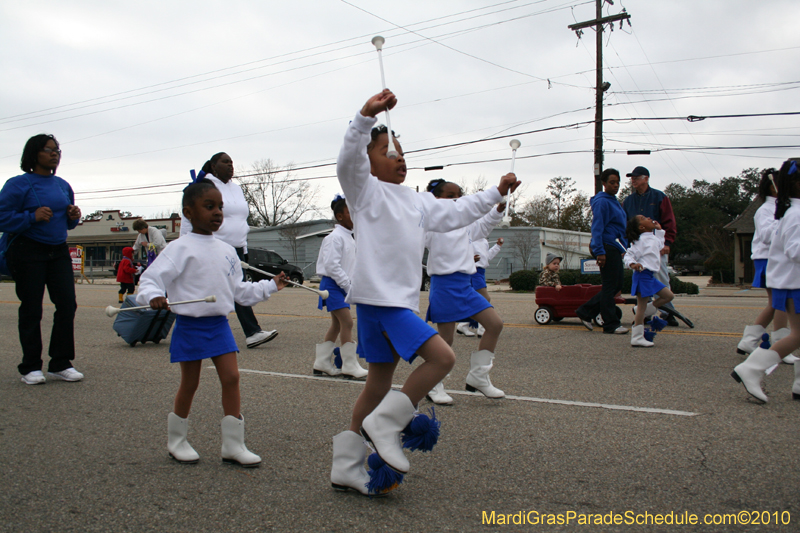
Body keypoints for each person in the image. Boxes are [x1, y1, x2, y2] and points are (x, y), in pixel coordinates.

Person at [329, 90, 520, 496]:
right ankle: (386, 424)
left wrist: (496, 192)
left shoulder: (418, 202)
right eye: (387, 151)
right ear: (368, 162)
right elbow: (347, 161)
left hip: (390, 304)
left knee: (377, 386)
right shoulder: (364, 192)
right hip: (383, 304)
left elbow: (459, 211)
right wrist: (364, 117)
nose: (398, 157)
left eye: (401, 152)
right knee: (443, 357)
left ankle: (345, 466)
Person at [138, 179, 287, 464]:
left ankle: (233, 445)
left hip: (219, 325)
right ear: (188, 212)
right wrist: (154, 296)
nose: (218, 212)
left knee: (231, 378)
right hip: (190, 326)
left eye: (220, 207)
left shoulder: (227, 250)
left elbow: (239, 292)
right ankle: (177, 441)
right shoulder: (179, 248)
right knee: (190, 383)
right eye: (209, 206)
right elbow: (151, 279)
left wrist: (270, 286)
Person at [0, 134, 83, 385]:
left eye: (57, 150)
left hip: (58, 251)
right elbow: (2, 217)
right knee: (32, 308)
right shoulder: (18, 184)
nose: (54, 154)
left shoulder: (62, 185)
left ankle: (60, 363)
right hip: (27, 250)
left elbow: (67, 223)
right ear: (34, 153)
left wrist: (73, 216)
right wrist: (31, 217)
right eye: (48, 149)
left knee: (67, 305)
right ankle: (30, 367)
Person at [180, 153, 277, 349]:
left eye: (232, 162)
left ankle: (250, 332)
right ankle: (250, 331)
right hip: (214, 245)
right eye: (225, 162)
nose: (230, 165)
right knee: (224, 287)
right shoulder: (205, 186)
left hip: (237, 248)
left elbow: (241, 220)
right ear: (213, 165)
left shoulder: (237, 188)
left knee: (234, 287)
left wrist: (244, 246)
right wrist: (186, 244)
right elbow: (188, 218)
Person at [424, 179, 507, 405]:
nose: (456, 200)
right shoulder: (431, 225)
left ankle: (478, 376)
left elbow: (483, 228)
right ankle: (433, 384)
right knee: (446, 339)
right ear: (436, 199)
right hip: (444, 285)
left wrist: (497, 210)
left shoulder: (465, 223)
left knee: (495, 324)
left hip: (465, 285)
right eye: (450, 196)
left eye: (459, 196)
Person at [732, 158, 800, 402]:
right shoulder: (792, 213)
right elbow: (794, 249)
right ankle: (752, 367)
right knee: (796, 333)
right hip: (791, 281)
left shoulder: (790, 211)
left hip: (790, 279)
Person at [735, 169, 794, 362]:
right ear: (772, 187)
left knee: (776, 303)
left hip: (776, 259)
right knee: (780, 303)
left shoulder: (781, 207)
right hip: (768, 258)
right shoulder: (765, 210)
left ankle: (749, 341)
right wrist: (783, 221)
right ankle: (781, 347)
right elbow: (767, 236)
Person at [314, 193, 367, 379]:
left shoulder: (349, 238)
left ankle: (321, 362)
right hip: (332, 285)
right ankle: (349, 365)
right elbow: (332, 266)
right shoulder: (334, 237)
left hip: (340, 285)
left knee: (337, 324)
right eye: (350, 212)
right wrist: (347, 285)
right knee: (347, 322)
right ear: (340, 216)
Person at [622, 166, 680, 326]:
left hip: (656, 246)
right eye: (632, 178)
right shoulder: (628, 201)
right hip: (637, 246)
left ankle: (667, 312)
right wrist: (626, 248)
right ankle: (644, 313)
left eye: (636, 177)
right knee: (642, 281)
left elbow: (669, 221)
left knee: (661, 278)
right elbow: (625, 226)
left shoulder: (659, 197)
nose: (633, 180)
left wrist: (667, 242)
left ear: (646, 178)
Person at [576, 168, 629, 334]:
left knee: (616, 285)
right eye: (612, 182)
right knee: (610, 286)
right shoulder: (602, 202)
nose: (616, 185)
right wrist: (599, 251)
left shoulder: (614, 201)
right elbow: (597, 227)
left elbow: (620, 227)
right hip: (606, 246)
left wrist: (624, 248)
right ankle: (611, 324)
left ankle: (585, 311)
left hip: (615, 246)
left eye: (617, 182)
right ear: (604, 183)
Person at [625, 216, 675, 347]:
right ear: (642, 227)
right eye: (643, 218)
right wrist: (632, 264)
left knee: (668, 296)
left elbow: (660, 245)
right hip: (642, 275)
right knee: (641, 308)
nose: (648, 218)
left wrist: (659, 230)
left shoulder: (652, 237)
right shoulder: (640, 241)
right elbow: (628, 255)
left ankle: (644, 310)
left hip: (650, 276)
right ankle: (637, 337)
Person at [462, 235, 504, 337]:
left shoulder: (484, 241)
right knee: (485, 299)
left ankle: (463, 325)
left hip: (481, 272)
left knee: (474, 301)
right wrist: (470, 259)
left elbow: (487, 257)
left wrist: (497, 246)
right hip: (474, 271)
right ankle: (482, 328)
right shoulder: (470, 238)